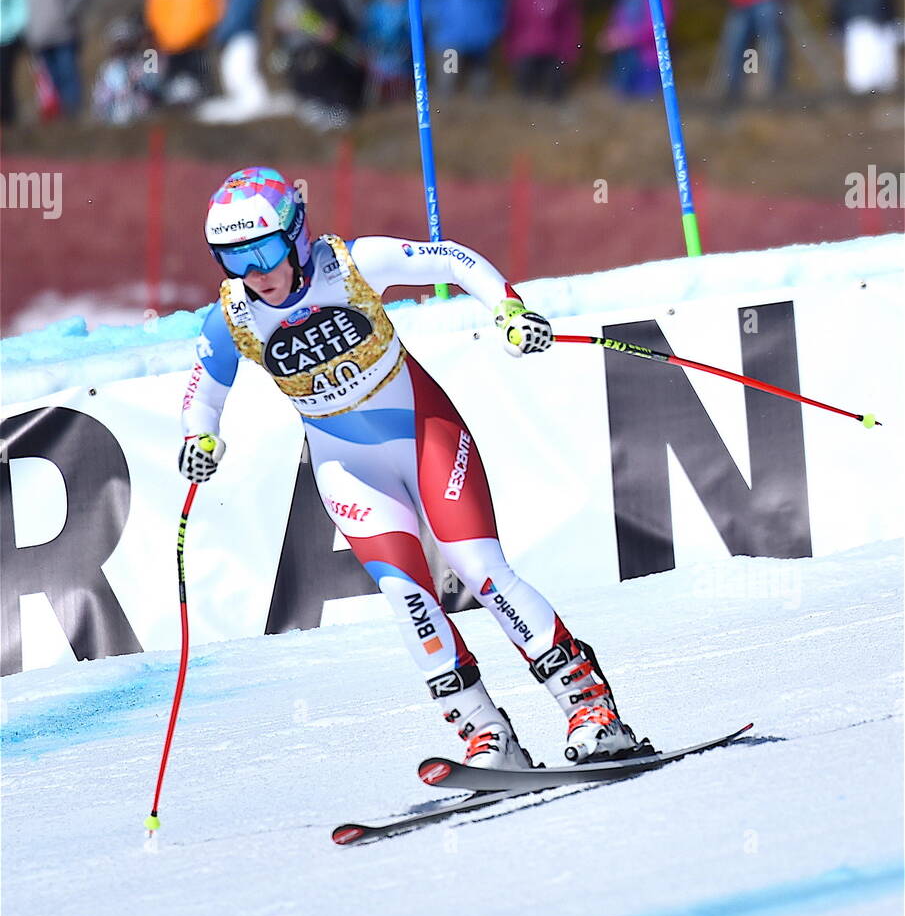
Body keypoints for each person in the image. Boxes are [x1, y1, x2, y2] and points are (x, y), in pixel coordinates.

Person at [179, 166, 647, 771]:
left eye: (266, 250)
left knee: (480, 570)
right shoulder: (234, 315)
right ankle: (486, 735)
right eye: (233, 259)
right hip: (346, 465)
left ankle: (592, 711)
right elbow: (204, 394)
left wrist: (509, 310)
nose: (257, 273)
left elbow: (451, 259)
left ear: (296, 235)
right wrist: (201, 438)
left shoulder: (350, 265)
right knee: (407, 597)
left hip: (423, 433)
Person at [272, 0, 366, 130]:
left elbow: (333, 26)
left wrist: (326, 30)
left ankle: (335, 113)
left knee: (318, 68)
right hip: (318, 50)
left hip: (333, 54)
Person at [25, 0, 86, 115]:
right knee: (51, 82)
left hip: (64, 35)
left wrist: (65, 14)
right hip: (42, 39)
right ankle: (59, 118)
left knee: (68, 76)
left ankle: (74, 114)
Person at [597, 0, 674, 98]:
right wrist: (609, 37)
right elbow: (615, 22)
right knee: (622, 96)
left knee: (646, 99)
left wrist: (629, 38)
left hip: (649, 58)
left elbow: (658, 26)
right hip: (624, 59)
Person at [504, 0, 582, 101]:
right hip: (526, 52)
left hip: (554, 51)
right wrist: (511, 52)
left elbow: (570, 26)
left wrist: (570, 53)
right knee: (526, 97)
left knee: (554, 96)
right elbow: (512, 25)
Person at [422, 0, 504, 97]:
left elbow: (496, 5)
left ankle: (477, 114)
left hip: (479, 42)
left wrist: (493, 29)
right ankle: (445, 113)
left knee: (480, 86)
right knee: (448, 82)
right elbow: (430, 3)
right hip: (450, 41)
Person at [90, 17, 156, 125]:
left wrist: (136, 80)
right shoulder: (108, 67)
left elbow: (151, 84)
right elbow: (101, 95)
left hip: (138, 107)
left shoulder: (141, 61)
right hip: (115, 110)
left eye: (124, 43)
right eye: (118, 43)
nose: (121, 47)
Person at [363, 0, 411, 103]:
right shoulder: (377, 6)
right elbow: (368, 28)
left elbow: (412, 30)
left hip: (402, 54)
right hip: (379, 52)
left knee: (400, 87)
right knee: (375, 86)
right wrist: (369, 46)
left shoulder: (408, 5)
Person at [0, 0, 29, 125]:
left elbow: (21, 7)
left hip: (6, 38)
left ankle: (7, 118)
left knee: (4, 80)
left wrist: (15, 29)